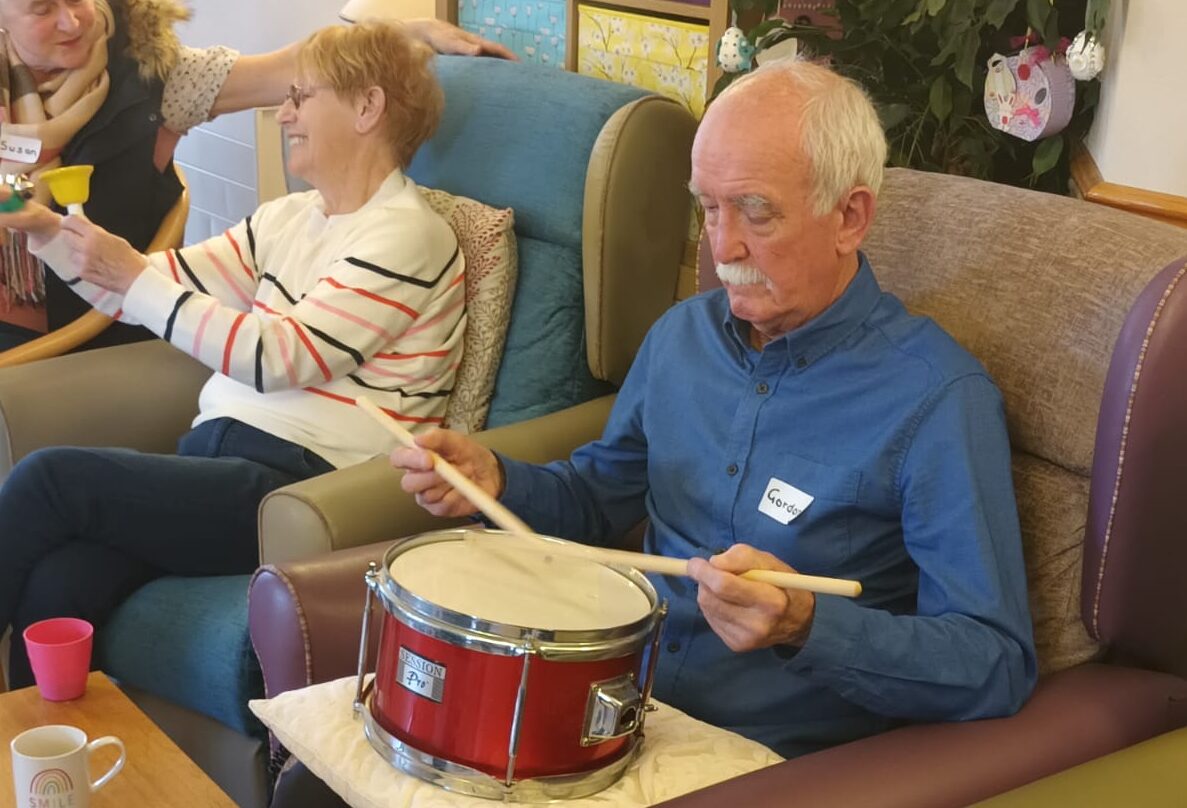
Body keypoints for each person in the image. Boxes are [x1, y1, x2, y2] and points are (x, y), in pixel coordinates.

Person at [391, 57, 1038, 757]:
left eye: (755, 211)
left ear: (849, 217)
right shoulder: (682, 336)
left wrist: (805, 624)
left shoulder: (937, 400)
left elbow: (993, 661)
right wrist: (497, 481)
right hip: (613, 703)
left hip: (765, 757)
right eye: (707, 207)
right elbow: (594, 500)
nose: (721, 247)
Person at [0, 20, 465, 688]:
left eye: (302, 97)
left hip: (304, 488)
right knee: (60, 583)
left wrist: (132, 275)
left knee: (51, 480)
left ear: (367, 107)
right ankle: (51, 774)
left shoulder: (409, 236)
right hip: (216, 466)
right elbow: (143, 290)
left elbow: (278, 356)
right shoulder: (287, 219)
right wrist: (44, 231)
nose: (284, 112)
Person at [0, 0, 509, 352]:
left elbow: (291, 69)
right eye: (42, 9)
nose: (72, 22)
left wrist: (399, 34)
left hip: (97, 323)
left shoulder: (155, 74)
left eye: (80, 1)